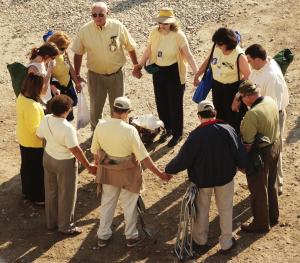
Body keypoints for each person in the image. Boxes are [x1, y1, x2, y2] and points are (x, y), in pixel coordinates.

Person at [165, 100, 246, 254]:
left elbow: (183, 159)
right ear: (214, 113)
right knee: (226, 209)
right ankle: (227, 243)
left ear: (198, 116)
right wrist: (243, 165)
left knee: (201, 210)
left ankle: (200, 241)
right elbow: (238, 151)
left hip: (203, 181)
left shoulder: (196, 136)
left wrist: (169, 170)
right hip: (225, 178)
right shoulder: (227, 129)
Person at [91, 96, 170, 248]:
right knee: (130, 204)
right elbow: (144, 158)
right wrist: (160, 174)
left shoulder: (101, 125)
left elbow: (95, 153)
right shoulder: (130, 130)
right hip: (128, 174)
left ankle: (103, 236)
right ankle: (131, 236)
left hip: (108, 172)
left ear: (113, 109)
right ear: (126, 112)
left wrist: (104, 164)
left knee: (107, 203)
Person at [135, 7, 198, 147]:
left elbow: (188, 55)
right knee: (161, 102)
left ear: (172, 23)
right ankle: (167, 129)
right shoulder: (154, 32)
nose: (162, 26)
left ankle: (177, 134)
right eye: (161, 23)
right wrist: (140, 65)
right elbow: (149, 49)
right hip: (158, 70)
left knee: (175, 104)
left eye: (166, 23)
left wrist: (197, 74)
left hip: (173, 71)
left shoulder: (178, 35)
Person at [71, 1, 139, 130]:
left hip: (116, 74)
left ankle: (118, 131)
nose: (97, 18)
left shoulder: (117, 27)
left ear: (108, 13)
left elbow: (130, 46)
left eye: (101, 15)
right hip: (95, 76)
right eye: (94, 15)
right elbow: (78, 53)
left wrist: (136, 65)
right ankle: (96, 134)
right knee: (96, 107)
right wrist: (78, 74)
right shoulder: (85, 30)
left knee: (118, 105)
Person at [36, 95, 97, 235]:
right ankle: (65, 226)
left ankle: (51, 222)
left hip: (48, 158)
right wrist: (88, 166)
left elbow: (39, 136)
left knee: (51, 191)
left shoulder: (45, 119)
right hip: (64, 163)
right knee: (67, 194)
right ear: (66, 110)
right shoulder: (67, 128)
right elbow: (75, 150)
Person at [245, 44, 288, 195]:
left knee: (273, 150)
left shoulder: (271, 77)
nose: (248, 63)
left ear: (258, 59)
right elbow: (249, 82)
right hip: (259, 115)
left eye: (250, 61)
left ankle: (277, 184)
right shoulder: (259, 68)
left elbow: (273, 108)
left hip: (271, 117)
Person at [238, 80, 280, 233]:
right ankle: (273, 216)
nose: (241, 100)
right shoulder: (270, 101)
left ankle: (261, 223)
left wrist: (241, 162)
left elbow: (247, 144)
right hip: (275, 146)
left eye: (242, 97)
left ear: (248, 97)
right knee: (271, 183)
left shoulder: (252, 115)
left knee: (257, 189)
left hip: (261, 154)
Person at [194, 27, 251, 133]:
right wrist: (198, 74)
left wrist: (238, 96)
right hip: (217, 87)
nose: (217, 46)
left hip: (233, 90)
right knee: (220, 115)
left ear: (228, 43)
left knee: (234, 119)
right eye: (216, 43)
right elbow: (208, 60)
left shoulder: (239, 56)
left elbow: (249, 78)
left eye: (220, 44)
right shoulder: (216, 47)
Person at [16, 73, 46, 205]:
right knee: (37, 171)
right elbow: (36, 131)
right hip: (35, 144)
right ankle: (38, 197)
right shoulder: (32, 106)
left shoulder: (21, 97)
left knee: (27, 167)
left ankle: (27, 193)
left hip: (24, 139)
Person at [47, 31, 81, 121]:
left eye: (66, 48)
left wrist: (77, 83)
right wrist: (51, 86)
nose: (64, 51)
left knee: (68, 117)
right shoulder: (48, 58)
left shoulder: (64, 53)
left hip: (67, 87)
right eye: (62, 48)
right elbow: (44, 77)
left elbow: (70, 68)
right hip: (57, 91)